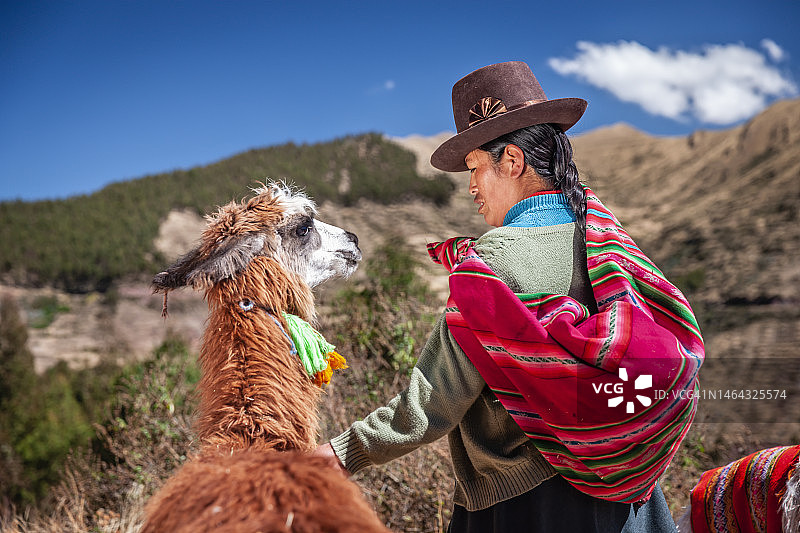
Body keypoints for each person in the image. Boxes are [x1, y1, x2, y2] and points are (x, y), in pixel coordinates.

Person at [313, 61, 699, 532]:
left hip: (534, 506)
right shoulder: (607, 240)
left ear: (512, 161)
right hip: (632, 497)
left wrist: (338, 453)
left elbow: (432, 402)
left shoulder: (493, 264)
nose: (471, 188)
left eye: (476, 168)